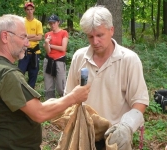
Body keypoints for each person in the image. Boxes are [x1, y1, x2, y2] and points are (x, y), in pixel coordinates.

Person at [0, 14, 90, 150]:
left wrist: (51, 103)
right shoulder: (6, 73)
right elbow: (40, 113)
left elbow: (28, 106)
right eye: (23, 37)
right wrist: (74, 97)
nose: (27, 43)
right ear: (5, 37)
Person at [64, 5, 149, 150]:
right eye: (90, 36)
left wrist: (126, 126)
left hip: (115, 138)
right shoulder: (79, 57)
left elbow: (140, 101)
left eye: (99, 35)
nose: (95, 41)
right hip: (84, 135)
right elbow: (69, 96)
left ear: (111, 30)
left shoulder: (129, 59)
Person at [18, 2, 43, 89]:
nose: (29, 11)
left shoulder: (38, 23)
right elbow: (20, 36)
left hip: (35, 52)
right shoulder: (22, 22)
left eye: (31, 9)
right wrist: (33, 35)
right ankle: (20, 92)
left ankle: (31, 95)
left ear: (34, 10)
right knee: (20, 73)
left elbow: (39, 37)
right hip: (23, 51)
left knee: (33, 74)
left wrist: (27, 36)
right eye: (28, 9)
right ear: (25, 10)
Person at [43, 14, 69, 100]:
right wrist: (47, 43)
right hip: (49, 61)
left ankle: (64, 105)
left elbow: (63, 48)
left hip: (59, 61)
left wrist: (51, 45)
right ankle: (50, 105)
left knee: (61, 87)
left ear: (58, 22)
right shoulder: (47, 34)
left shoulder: (64, 33)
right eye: (50, 23)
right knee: (48, 87)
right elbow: (48, 51)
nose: (52, 25)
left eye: (54, 23)